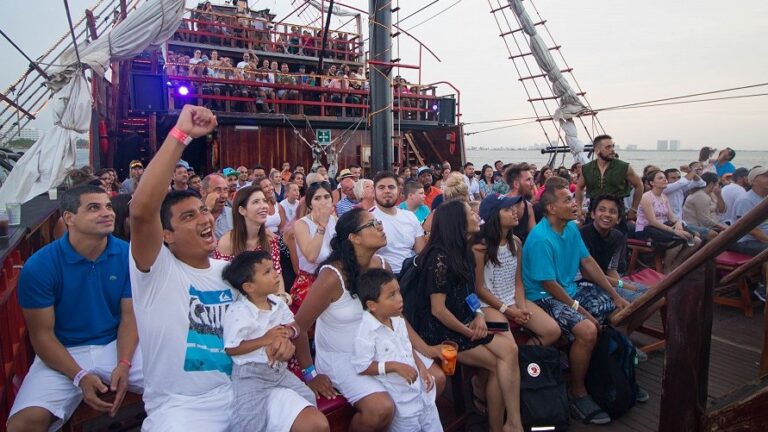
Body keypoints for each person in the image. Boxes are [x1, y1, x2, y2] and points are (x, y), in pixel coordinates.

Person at [128, 105, 294, 430]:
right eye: (187, 217)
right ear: (167, 235)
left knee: (312, 422)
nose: (204, 219)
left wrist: (283, 337)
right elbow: (142, 210)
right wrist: (181, 135)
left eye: (201, 212)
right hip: (183, 407)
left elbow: (271, 316)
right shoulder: (156, 271)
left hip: (244, 387)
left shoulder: (231, 274)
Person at [293, 209, 446, 431]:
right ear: (354, 238)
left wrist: (426, 350)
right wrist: (310, 374)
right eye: (372, 224)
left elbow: (396, 314)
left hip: (384, 344)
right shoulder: (331, 276)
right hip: (343, 356)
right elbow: (299, 326)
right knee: (381, 408)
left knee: (436, 379)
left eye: (378, 222)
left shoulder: (381, 265)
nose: (380, 226)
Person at [7, 185, 143, 432]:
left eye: (108, 206)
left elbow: (129, 317)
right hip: (64, 351)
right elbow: (42, 336)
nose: (107, 213)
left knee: (188, 381)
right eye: (94, 207)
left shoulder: (127, 254)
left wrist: (123, 363)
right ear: (69, 218)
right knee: (23, 424)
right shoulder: (40, 266)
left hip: (118, 345)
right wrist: (79, 376)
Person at [523, 177, 631, 425]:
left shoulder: (570, 228)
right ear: (551, 208)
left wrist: (616, 296)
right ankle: (578, 391)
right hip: (544, 297)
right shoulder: (541, 238)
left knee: (620, 308)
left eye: (573, 198)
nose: (575, 203)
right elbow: (549, 285)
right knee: (587, 329)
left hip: (569, 288)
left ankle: (613, 373)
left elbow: (588, 263)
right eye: (567, 200)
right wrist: (582, 311)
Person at [410, 200, 524, 432]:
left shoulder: (465, 249)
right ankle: (506, 424)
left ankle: (512, 422)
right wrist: (469, 331)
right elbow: (438, 309)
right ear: (458, 223)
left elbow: (470, 292)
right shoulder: (439, 258)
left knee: (510, 351)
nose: (475, 214)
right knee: (497, 363)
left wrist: (479, 314)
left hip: (464, 320)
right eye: (470, 212)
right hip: (441, 330)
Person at [221, 251, 329, 432]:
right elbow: (232, 348)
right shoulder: (239, 312)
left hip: (278, 371)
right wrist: (265, 339)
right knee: (250, 421)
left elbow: (292, 325)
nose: (275, 274)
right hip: (251, 375)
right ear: (249, 287)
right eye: (267, 272)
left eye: (273, 269)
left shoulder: (277, 303)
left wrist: (285, 334)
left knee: (307, 396)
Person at [351, 269, 442, 432]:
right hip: (404, 408)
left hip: (423, 398)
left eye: (399, 292)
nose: (400, 299)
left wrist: (422, 368)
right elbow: (362, 366)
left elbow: (407, 347)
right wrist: (394, 366)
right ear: (372, 305)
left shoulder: (398, 320)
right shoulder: (366, 332)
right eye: (391, 295)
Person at [473, 193, 562, 346]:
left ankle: (525, 362)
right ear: (494, 216)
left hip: (512, 299)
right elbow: (480, 289)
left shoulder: (516, 242)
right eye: (507, 209)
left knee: (552, 331)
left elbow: (518, 282)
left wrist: (521, 308)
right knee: (509, 346)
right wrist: (510, 312)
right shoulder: (480, 248)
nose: (515, 211)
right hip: (489, 304)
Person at [213, 185, 288, 299]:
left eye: (264, 201)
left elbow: (276, 274)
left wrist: (281, 298)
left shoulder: (270, 240)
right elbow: (223, 284)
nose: (263, 206)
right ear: (242, 210)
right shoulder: (228, 242)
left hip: (265, 300)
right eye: (256, 202)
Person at [580, 195, 650, 301]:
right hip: (587, 284)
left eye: (612, 212)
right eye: (602, 210)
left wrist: (621, 284)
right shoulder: (582, 235)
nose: (607, 215)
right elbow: (587, 274)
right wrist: (625, 286)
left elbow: (611, 269)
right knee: (639, 299)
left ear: (618, 219)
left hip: (609, 281)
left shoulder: (617, 236)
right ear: (593, 214)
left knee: (651, 292)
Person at [635, 170, 701, 272]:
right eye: (660, 178)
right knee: (677, 241)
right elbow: (652, 221)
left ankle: (676, 265)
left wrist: (678, 223)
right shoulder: (646, 197)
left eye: (664, 177)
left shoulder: (664, 197)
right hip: (646, 228)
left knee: (696, 241)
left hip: (662, 226)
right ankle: (667, 267)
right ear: (652, 183)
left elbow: (671, 216)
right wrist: (674, 230)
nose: (664, 179)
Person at [576, 135, 643, 230]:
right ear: (597, 150)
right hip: (594, 211)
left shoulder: (623, 167)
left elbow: (639, 185)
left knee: (617, 240)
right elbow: (579, 187)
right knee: (591, 241)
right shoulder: (586, 168)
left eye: (613, 146)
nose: (612, 150)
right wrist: (579, 209)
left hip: (616, 211)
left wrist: (634, 209)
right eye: (608, 147)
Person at [290, 181, 336, 310]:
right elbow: (311, 256)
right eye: (317, 198)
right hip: (310, 282)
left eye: (327, 197)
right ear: (310, 204)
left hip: (332, 280)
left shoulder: (336, 221)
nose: (323, 202)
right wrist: (321, 227)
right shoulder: (301, 224)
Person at [372, 172, 426, 276]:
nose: (387, 191)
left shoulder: (410, 217)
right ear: (374, 191)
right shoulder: (368, 218)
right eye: (381, 187)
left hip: (411, 274)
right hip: (383, 276)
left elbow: (421, 251)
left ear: (398, 191)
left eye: (391, 187)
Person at [729, 166, 768, 256]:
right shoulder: (745, 200)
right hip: (745, 241)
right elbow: (750, 229)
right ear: (753, 181)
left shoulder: (764, 198)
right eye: (766, 176)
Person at [682, 172, 728, 241]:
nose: (719, 186)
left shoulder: (712, 194)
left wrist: (719, 195)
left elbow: (722, 211)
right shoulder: (700, 196)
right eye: (718, 183)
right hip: (694, 225)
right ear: (712, 184)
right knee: (717, 234)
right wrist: (722, 227)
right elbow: (704, 219)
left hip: (709, 224)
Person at [504, 163, 537, 243]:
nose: (533, 184)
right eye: (528, 180)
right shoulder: (501, 204)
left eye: (532, 179)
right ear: (516, 184)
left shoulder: (528, 206)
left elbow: (534, 235)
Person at [200, 173, 233, 239]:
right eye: (218, 190)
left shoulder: (233, 214)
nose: (224, 196)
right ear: (203, 192)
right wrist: (207, 209)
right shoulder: (191, 213)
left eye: (225, 190)